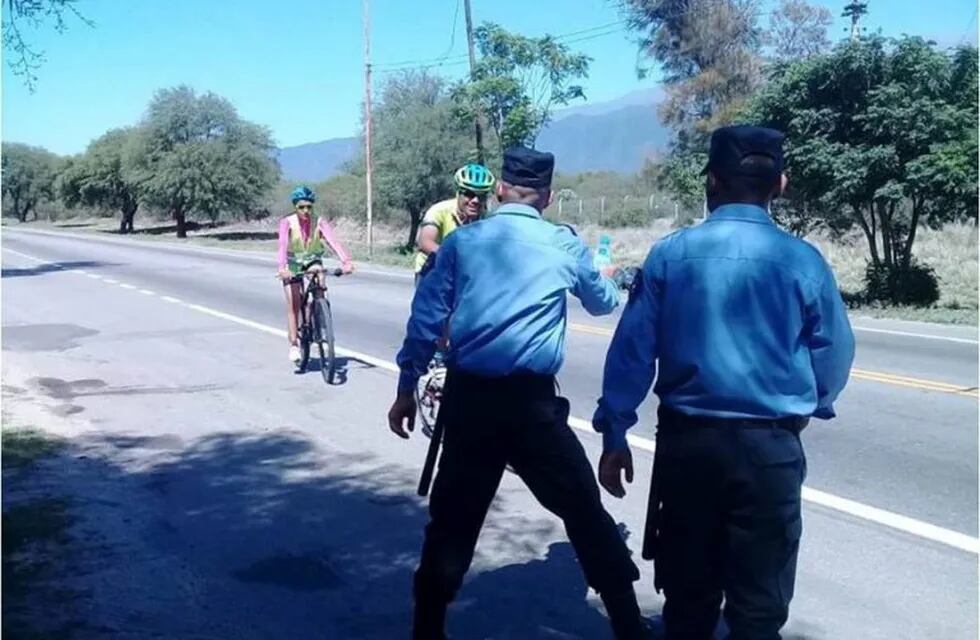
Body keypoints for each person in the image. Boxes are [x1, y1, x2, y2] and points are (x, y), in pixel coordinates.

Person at [592, 125, 855, 640]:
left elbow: (632, 352)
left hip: (689, 448)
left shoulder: (671, 254)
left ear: (711, 183)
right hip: (771, 449)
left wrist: (616, 432)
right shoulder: (804, 260)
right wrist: (809, 405)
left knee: (689, 601)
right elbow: (834, 351)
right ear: (780, 184)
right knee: (759, 609)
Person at [388, 147, 651, 640]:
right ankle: (628, 624)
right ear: (548, 198)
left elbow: (425, 320)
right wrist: (606, 276)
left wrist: (407, 387)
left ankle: (427, 628)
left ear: (502, 190)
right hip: (532, 408)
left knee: (452, 520)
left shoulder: (464, 243)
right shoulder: (563, 245)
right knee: (584, 512)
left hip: (470, 403)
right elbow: (601, 304)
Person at [277, 186, 354, 364]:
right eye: (301, 207)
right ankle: (294, 344)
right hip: (293, 262)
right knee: (294, 302)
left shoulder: (319, 221)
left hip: (312, 260)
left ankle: (319, 313)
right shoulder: (287, 222)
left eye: (309, 207)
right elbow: (282, 246)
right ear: (295, 207)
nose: (306, 211)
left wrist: (346, 261)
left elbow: (332, 241)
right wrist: (282, 268)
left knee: (320, 281)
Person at [413, 163, 496, 286]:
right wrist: (456, 257)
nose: (475, 201)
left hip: (464, 274)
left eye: (481, 195)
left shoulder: (488, 219)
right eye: (469, 194)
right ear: (458, 193)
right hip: (432, 270)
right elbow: (425, 242)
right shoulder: (439, 210)